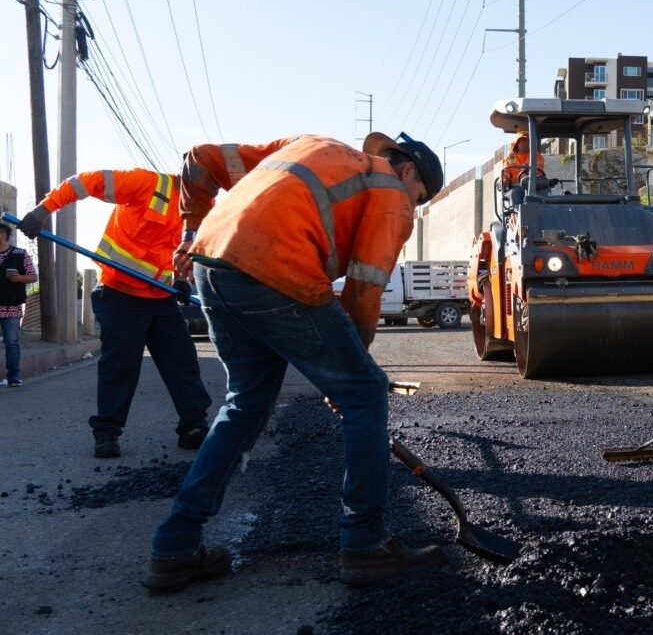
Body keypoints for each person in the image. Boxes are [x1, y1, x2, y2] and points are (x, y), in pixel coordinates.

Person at [144, 131, 444, 592]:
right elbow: (365, 291)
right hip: (276, 266)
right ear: (408, 171)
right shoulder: (391, 192)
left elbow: (199, 159)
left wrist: (190, 233)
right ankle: (364, 544)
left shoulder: (308, 145)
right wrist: (347, 377)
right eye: (419, 196)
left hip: (211, 261)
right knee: (365, 392)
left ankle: (175, 546)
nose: (413, 205)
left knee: (245, 403)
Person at [19, 170, 214, 458]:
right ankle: (107, 433)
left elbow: (188, 249)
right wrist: (44, 209)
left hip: (161, 297)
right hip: (119, 294)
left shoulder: (204, 210)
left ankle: (193, 427)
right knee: (120, 366)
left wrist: (183, 279)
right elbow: (86, 182)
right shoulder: (148, 184)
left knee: (182, 361)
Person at [0, 222, 37, 387]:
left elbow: (33, 276)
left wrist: (18, 278)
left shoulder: (20, 254)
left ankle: (13, 376)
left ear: (2, 235)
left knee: (11, 342)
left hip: (11, 306)